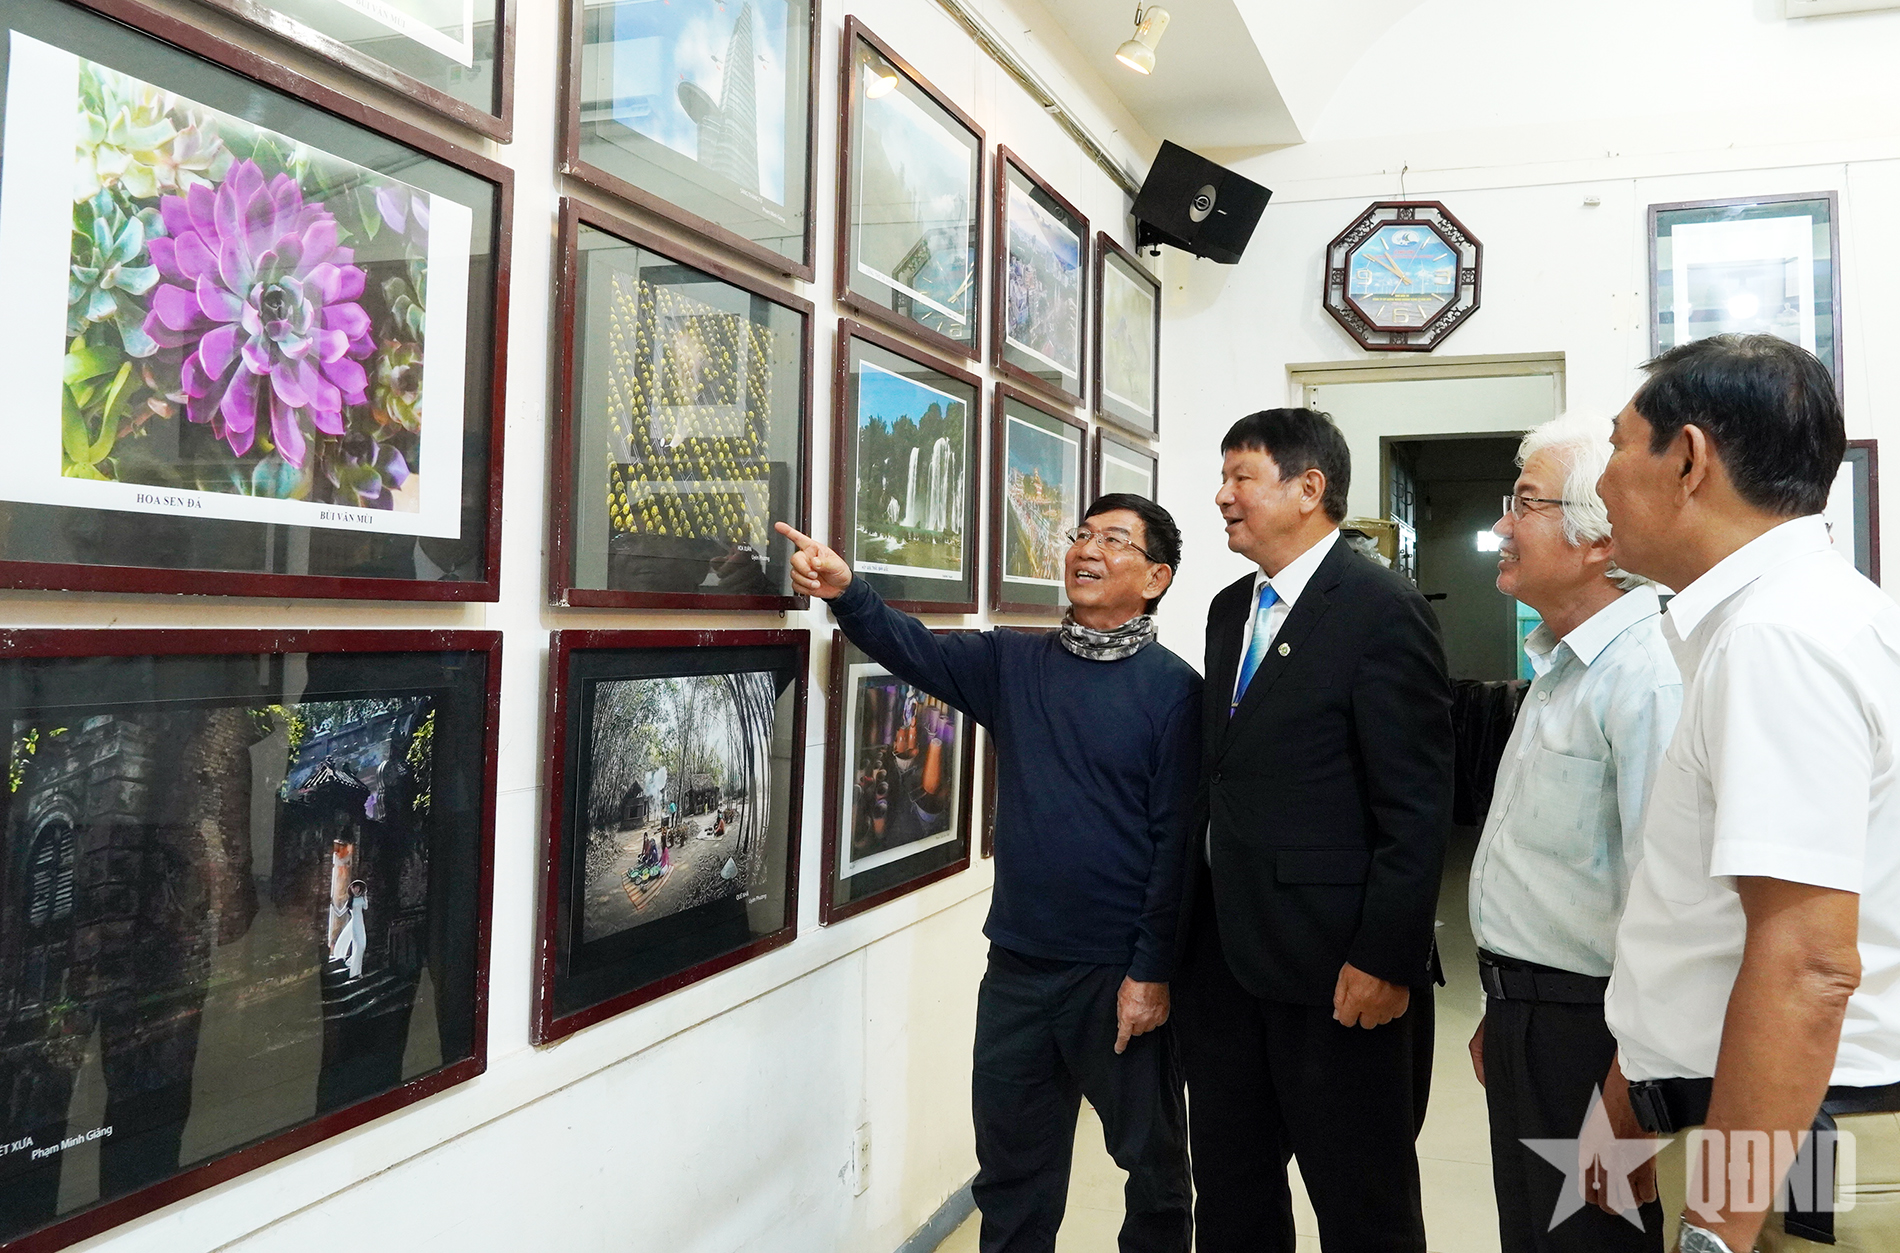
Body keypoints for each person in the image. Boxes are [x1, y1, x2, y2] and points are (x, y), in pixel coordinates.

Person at [774, 494, 1199, 1253]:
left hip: (1119, 974)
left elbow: (1176, 843)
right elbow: (915, 649)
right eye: (1081, 534)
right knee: (1011, 1173)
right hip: (1020, 969)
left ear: (1156, 576)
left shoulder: (1175, 690)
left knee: (1154, 1171)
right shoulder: (1015, 661)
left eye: (1113, 539)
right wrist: (847, 589)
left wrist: (1152, 970)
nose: (1086, 549)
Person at [1589, 333, 1900, 1251]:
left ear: (1687, 460)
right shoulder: (1814, 614)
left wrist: (1716, 1231)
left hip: (1801, 1149)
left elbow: (1807, 963)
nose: (1600, 482)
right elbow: (1712, 924)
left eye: (1616, 445)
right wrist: (1632, 1100)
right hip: (1771, 1125)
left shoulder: (1779, 638)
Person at [1174, 408, 1454, 1252]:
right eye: (1222, 477)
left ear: (1309, 488)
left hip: (1338, 970)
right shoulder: (1231, 610)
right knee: (1230, 1192)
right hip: (1226, 963)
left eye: (1241, 477)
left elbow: (1415, 806)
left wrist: (1383, 957)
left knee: (1361, 1201)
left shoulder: (1381, 609)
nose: (1222, 496)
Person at [1467, 414, 1680, 1251]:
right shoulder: (1561, 664)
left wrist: (1632, 1080)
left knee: (1595, 1238)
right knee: (1534, 1234)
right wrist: (1503, 1003)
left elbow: (1670, 899)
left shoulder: (1645, 674)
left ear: (1598, 540)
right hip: (1530, 1021)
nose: (1500, 528)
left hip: (1599, 1042)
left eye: (1523, 504)